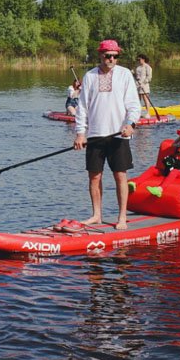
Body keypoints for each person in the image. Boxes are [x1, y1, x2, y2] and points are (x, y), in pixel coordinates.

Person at [74, 39, 141, 230]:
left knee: (120, 175)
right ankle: (96, 215)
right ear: (100, 55)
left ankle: (121, 217)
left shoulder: (125, 74)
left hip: (119, 135)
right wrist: (80, 133)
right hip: (95, 135)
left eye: (115, 56)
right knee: (94, 177)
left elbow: (133, 105)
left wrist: (130, 124)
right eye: (107, 55)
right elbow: (82, 108)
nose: (111, 59)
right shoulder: (89, 76)